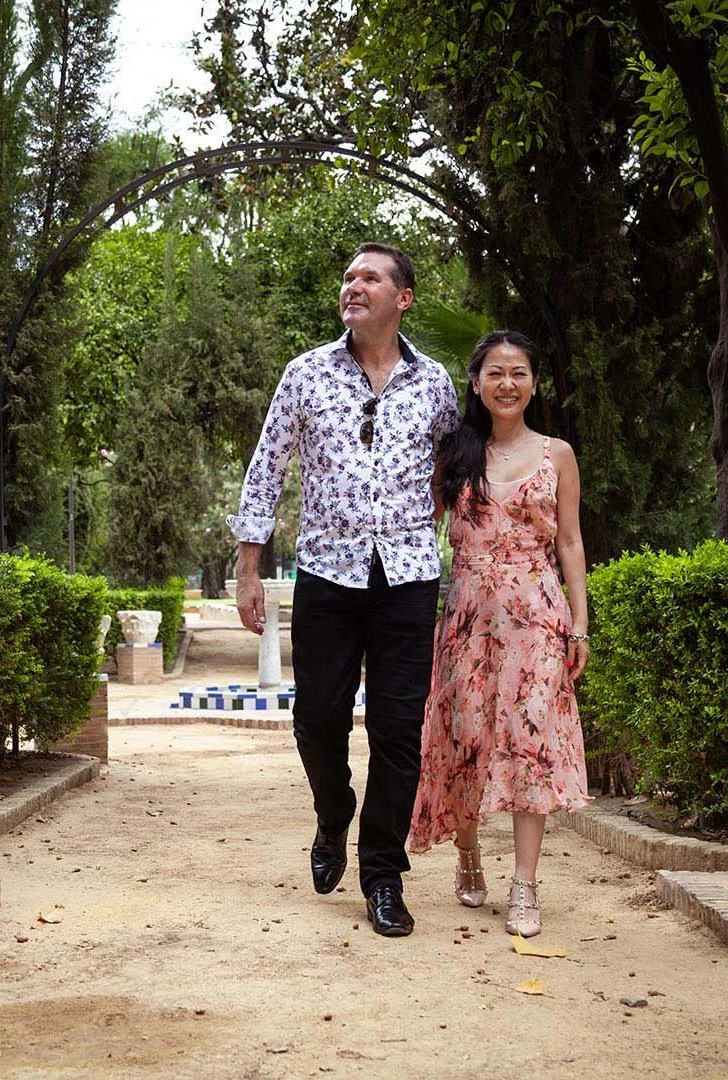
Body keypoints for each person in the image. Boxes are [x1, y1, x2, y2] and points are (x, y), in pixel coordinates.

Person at [229, 242, 459, 937]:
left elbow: (455, 469)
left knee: (398, 732)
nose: (352, 285)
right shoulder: (305, 375)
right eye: (349, 276)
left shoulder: (436, 384)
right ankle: (334, 814)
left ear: (402, 298)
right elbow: (266, 468)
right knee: (318, 720)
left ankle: (382, 872)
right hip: (327, 574)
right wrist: (247, 567)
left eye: (370, 277)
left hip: (409, 580)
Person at [407, 329, 591, 938]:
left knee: (529, 744)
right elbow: (417, 530)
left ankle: (525, 885)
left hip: (537, 618)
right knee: (464, 740)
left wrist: (579, 624)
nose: (506, 384)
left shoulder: (557, 454)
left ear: (534, 384)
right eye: (494, 373)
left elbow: (569, 542)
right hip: (466, 617)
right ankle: (466, 855)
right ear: (476, 382)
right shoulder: (454, 453)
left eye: (518, 373)